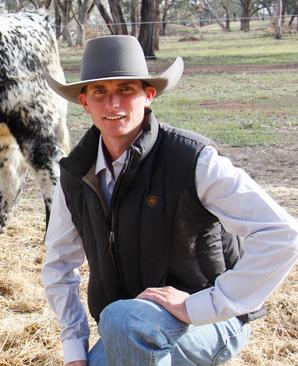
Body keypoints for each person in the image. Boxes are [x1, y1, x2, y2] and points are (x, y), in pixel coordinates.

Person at [41, 35, 298, 366]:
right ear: (83, 102)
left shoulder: (192, 159)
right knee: (121, 323)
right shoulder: (75, 174)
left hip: (212, 321)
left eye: (125, 90)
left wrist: (203, 305)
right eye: (100, 92)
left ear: (148, 95)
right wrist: (74, 348)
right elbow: (59, 263)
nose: (113, 104)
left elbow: (282, 233)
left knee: (121, 320)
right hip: (132, 325)